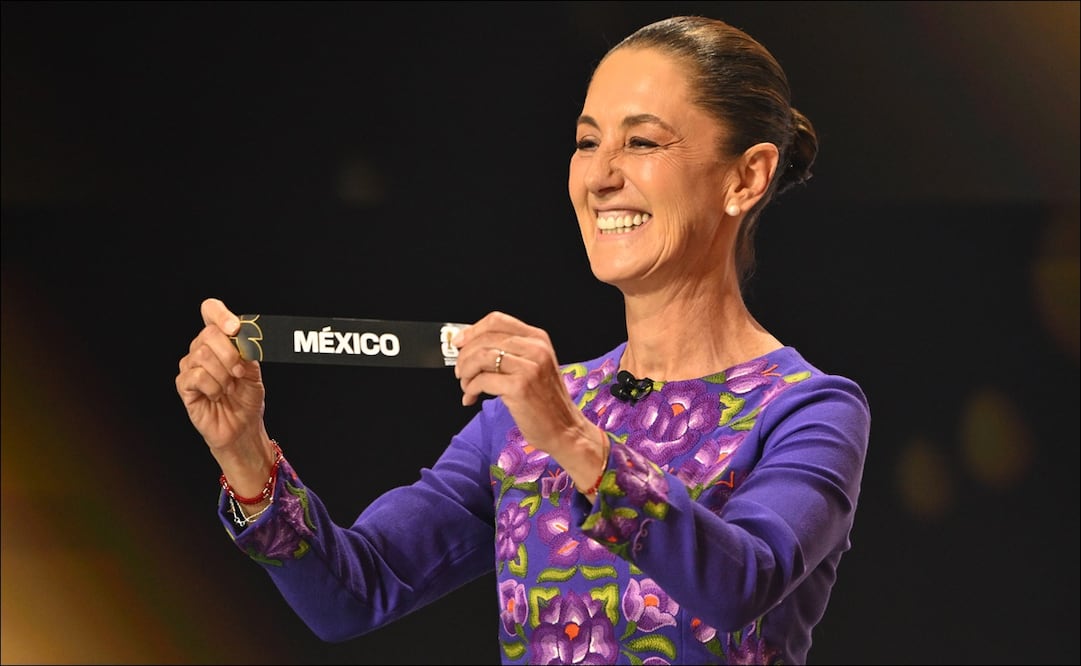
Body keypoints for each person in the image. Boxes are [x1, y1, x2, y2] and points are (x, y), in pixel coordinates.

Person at [176, 15, 870, 665]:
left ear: (745, 177)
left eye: (641, 141)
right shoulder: (525, 412)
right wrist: (245, 455)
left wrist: (571, 437)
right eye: (586, 140)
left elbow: (741, 582)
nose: (599, 176)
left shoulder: (808, 411)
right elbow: (355, 595)